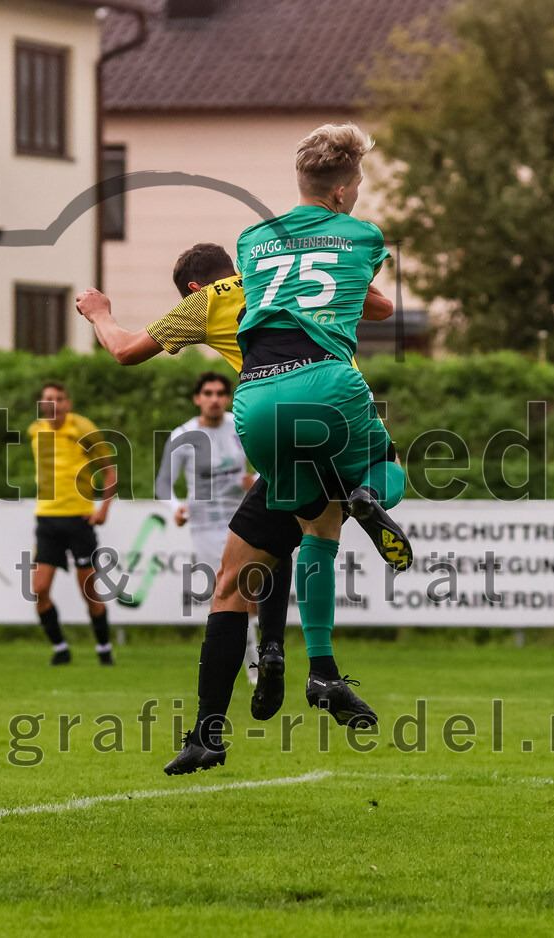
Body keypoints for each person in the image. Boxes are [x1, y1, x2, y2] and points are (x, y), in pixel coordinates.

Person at [76, 241, 409, 774]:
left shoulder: (205, 301)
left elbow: (124, 350)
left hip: (271, 418)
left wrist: (100, 312)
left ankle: (213, 729)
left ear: (192, 286)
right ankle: (311, 659)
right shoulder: (280, 279)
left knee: (234, 584)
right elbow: (381, 307)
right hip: (336, 404)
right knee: (327, 518)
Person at [225, 122, 410, 766]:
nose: (358, 194)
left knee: (315, 529)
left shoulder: (251, 238)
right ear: (339, 191)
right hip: (325, 382)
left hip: (253, 398)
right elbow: (374, 301)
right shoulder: (363, 235)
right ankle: (366, 495)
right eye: (357, 183)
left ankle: (323, 669)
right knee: (388, 473)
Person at [156, 371, 257, 682]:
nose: (214, 399)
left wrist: (252, 481)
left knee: (250, 592)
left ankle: (254, 667)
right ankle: (244, 667)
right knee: (227, 590)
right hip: (206, 526)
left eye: (220, 393)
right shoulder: (183, 436)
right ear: (198, 398)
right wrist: (177, 508)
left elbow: (268, 467)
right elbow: (163, 485)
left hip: (242, 518)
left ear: (227, 398)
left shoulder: (240, 426)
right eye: (208, 393)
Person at [28, 381, 118, 665]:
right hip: (47, 520)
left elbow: (109, 472)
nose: (52, 404)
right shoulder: (35, 431)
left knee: (89, 591)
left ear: (67, 403)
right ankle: (60, 649)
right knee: (39, 590)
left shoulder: (83, 429)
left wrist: (103, 509)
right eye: (47, 399)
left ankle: (104, 648)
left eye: (58, 399)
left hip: (79, 520)